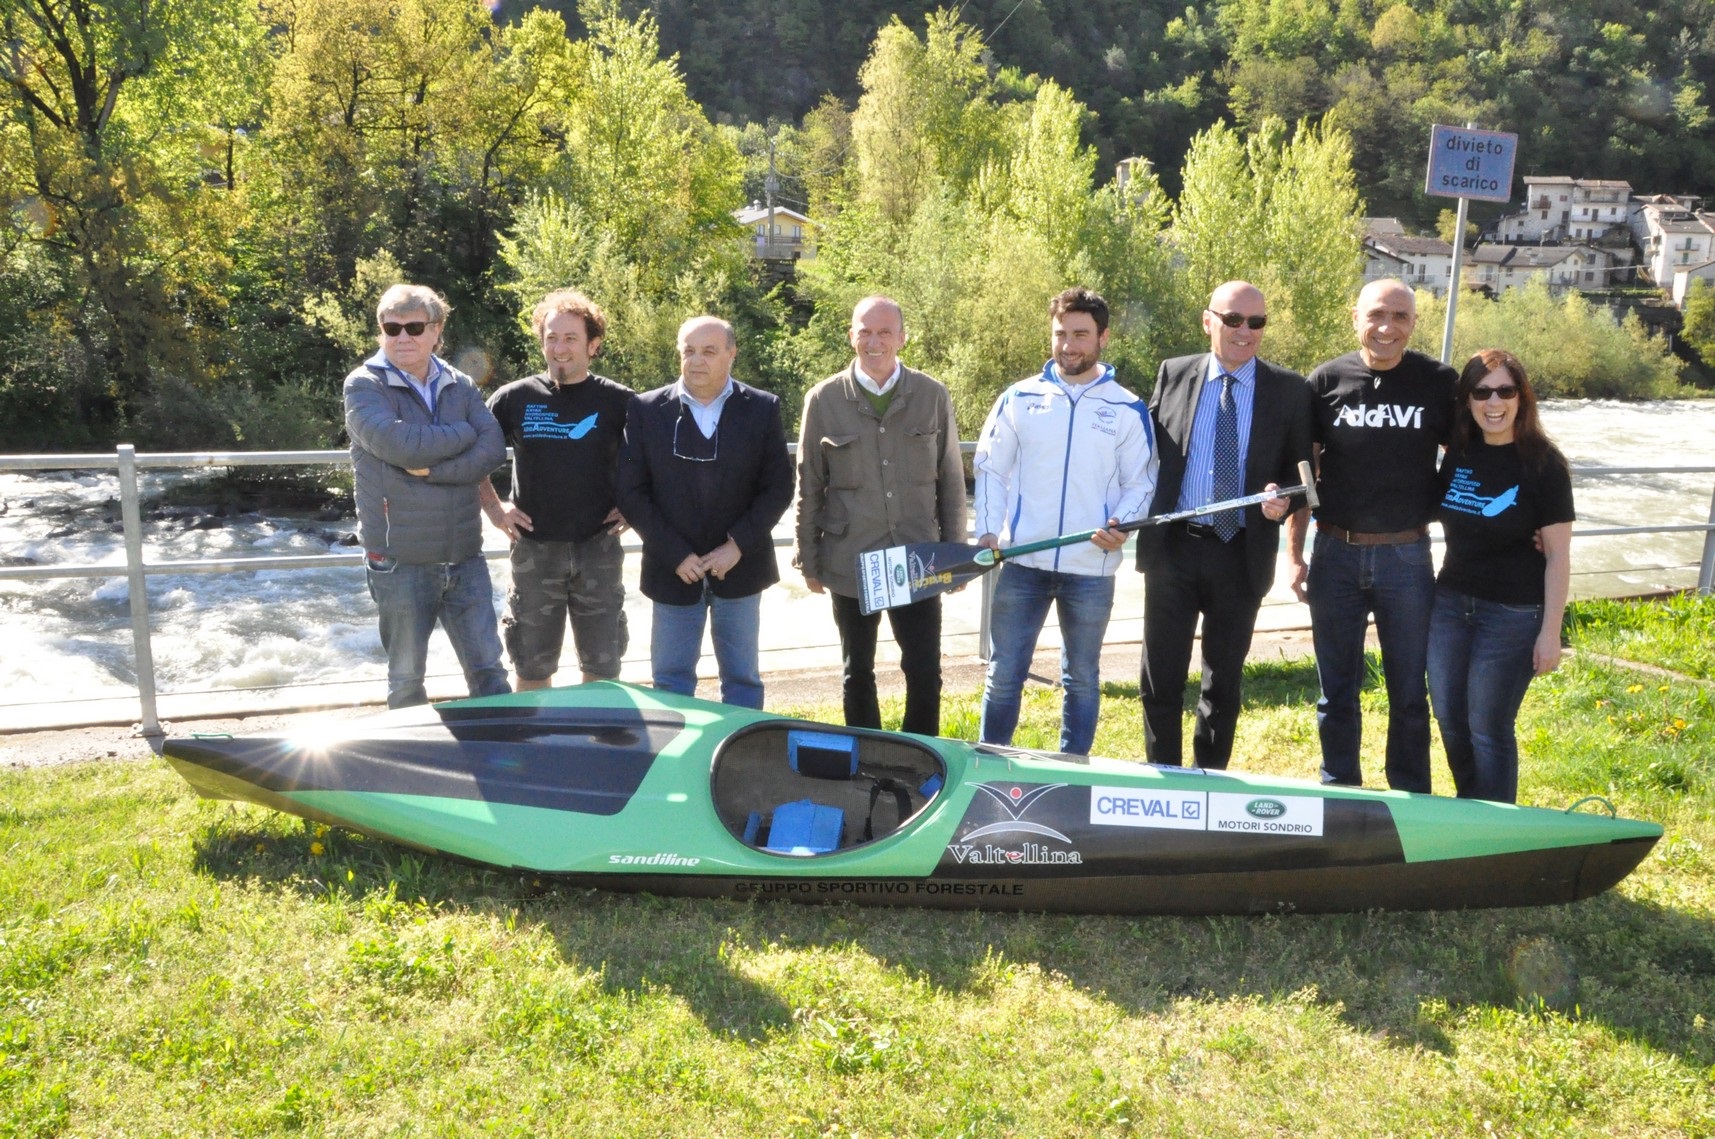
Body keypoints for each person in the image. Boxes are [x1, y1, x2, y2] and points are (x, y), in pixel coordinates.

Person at [1287, 278, 1457, 791]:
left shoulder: (1439, 382)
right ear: (1355, 317)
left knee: (1409, 692)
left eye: (1400, 317)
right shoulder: (1324, 382)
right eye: (1376, 315)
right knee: (1335, 690)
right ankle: (1340, 788)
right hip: (1336, 553)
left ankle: (1410, 797)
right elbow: (1304, 475)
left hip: (1407, 557)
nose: (1387, 327)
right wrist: (1295, 556)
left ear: (1414, 324)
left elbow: (1468, 462)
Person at [973, 287, 1158, 755]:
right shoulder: (1019, 398)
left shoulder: (1126, 407)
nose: (1068, 345)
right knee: (1004, 672)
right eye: (1061, 333)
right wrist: (990, 532)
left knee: (1081, 677)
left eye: (1081, 334)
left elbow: (1142, 482)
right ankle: (991, 762)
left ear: (1103, 338)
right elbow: (991, 467)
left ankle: (1073, 768)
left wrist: (1123, 524)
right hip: (1022, 563)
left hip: (1090, 569)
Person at [1136, 281, 1312, 768]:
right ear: (1208, 320)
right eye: (1234, 319)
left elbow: (1303, 478)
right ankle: (1163, 778)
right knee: (1160, 679)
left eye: (1257, 322)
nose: (1245, 331)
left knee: (1223, 684)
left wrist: (1283, 501)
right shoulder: (1173, 374)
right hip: (1174, 550)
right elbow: (1141, 459)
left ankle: (1209, 782)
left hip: (1242, 553)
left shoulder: (1289, 390)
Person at [794, 297, 967, 737]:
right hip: (851, 558)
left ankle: (923, 756)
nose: (874, 342)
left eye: (885, 332)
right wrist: (808, 559)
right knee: (857, 672)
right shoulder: (824, 399)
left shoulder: (931, 395)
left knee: (925, 671)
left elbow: (950, 479)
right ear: (851, 336)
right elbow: (810, 485)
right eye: (865, 331)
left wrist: (956, 555)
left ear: (902, 338)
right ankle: (866, 756)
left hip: (917, 556)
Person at [344, 283, 510, 708]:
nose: (403, 337)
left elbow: (491, 450)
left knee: (490, 673)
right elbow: (398, 446)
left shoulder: (460, 384)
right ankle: (409, 771)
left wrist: (435, 470)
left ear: (437, 330)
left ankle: (506, 762)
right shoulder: (364, 385)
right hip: (399, 561)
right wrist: (463, 434)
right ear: (380, 330)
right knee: (405, 682)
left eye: (414, 327)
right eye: (391, 327)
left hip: (464, 556)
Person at [616, 315, 793, 708]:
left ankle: (740, 761)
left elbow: (779, 487)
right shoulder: (645, 410)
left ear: (731, 354)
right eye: (688, 351)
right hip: (672, 569)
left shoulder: (761, 408)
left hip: (741, 566)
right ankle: (678, 762)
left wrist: (738, 545)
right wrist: (675, 554)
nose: (697, 361)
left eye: (709, 351)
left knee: (743, 681)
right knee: (671, 681)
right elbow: (631, 491)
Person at [1428, 349, 1573, 803]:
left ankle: (1497, 827)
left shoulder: (1544, 464)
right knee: (1450, 719)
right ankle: (1472, 811)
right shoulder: (1460, 456)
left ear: (1522, 397)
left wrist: (1551, 634)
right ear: (1467, 400)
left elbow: (1558, 557)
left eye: (1505, 390)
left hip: (1512, 614)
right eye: (1482, 391)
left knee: (1487, 726)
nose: (1494, 402)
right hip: (1450, 604)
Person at [481, 290, 633, 688]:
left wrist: (635, 506)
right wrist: (495, 509)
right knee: (531, 667)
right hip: (534, 551)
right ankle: (535, 747)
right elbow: (470, 458)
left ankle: (596, 747)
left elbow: (655, 462)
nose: (559, 347)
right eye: (551, 337)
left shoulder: (621, 402)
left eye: (570, 338)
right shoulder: (514, 398)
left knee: (602, 671)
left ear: (593, 344)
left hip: (598, 549)